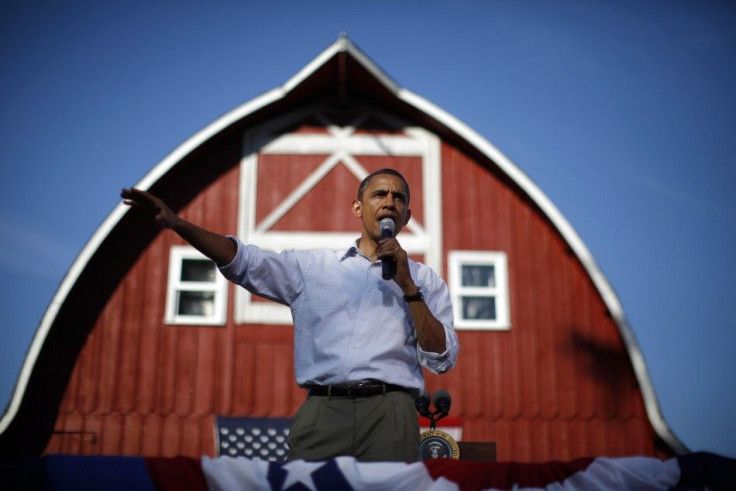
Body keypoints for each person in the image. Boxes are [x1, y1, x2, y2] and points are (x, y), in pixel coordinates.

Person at [121, 168, 459, 462]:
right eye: (379, 194)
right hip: (324, 409)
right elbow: (243, 261)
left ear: (406, 217)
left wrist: (407, 285)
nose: (389, 202)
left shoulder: (426, 281)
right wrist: (178, 224)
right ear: (358, 207)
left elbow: (440, 358)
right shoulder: (313, 268)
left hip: (392, 413)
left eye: (398, 198)